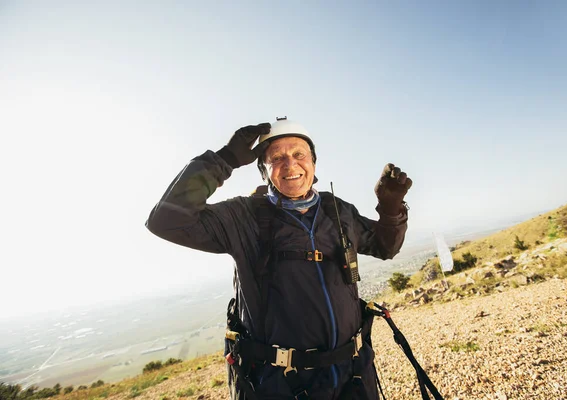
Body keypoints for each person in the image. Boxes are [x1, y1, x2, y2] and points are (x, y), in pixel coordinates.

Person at [145, 117, 412, 399]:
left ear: (313, 163)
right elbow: (166, 220)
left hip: (353, 376)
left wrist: (390, 208)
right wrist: (225, 159)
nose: (290, 164)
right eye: (277, 158)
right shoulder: (242, 217)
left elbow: (386, 247)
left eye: (299, 154)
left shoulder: (338, 211)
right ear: (263, 171)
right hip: (279, 385)